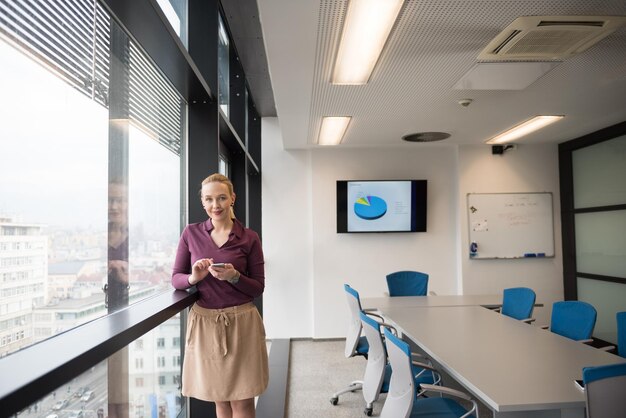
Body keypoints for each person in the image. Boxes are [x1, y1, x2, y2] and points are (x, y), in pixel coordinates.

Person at [172, 173, 268, 418]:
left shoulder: (249, 237)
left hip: (242, 323)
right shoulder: (190, 233)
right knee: (221, 401)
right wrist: (194, 278)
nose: (216, 205)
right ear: (203, 202)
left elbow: (258, 288)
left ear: (232, 199)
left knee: (243, 402)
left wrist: (234, 276)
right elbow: (176, 279)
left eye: (222, 198)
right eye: (210, 199)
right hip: (206, 324)